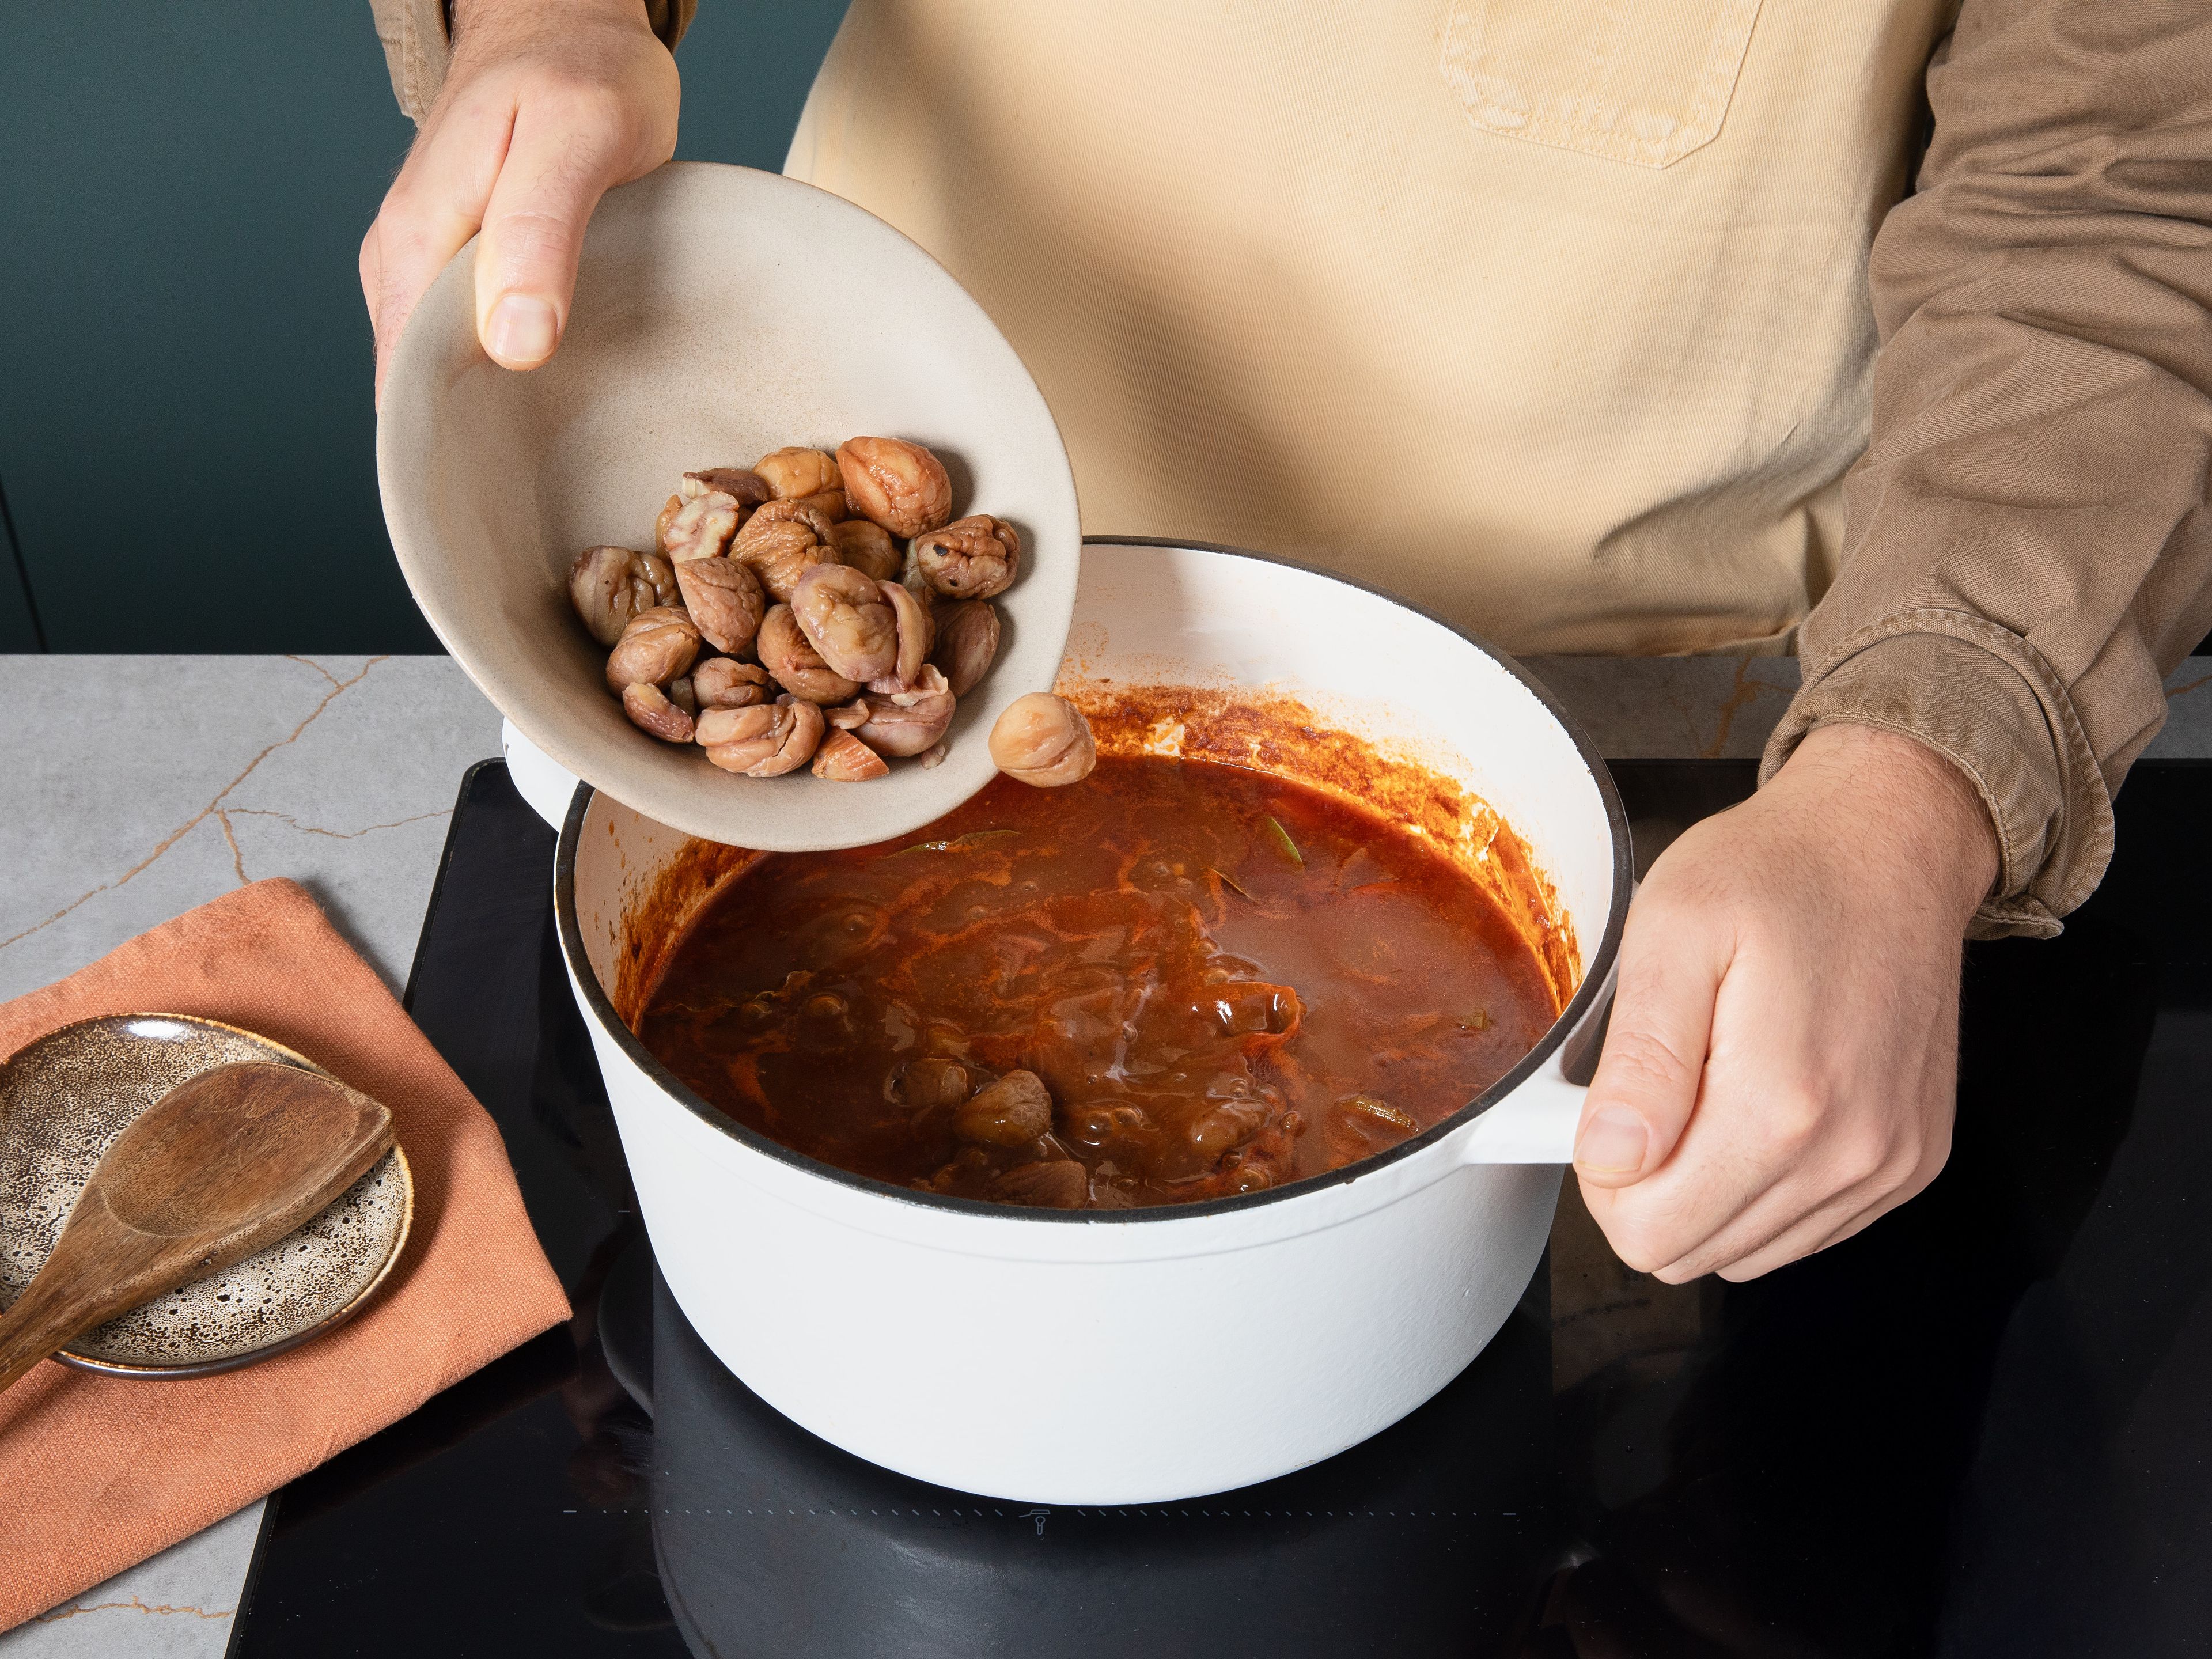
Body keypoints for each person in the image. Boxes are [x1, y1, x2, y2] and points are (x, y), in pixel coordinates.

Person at [363, 0, 2212, 1282]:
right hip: (934, 543)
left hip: (1691, 741)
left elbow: (2125, 195)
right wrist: (541, 24)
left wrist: (1916, 777)